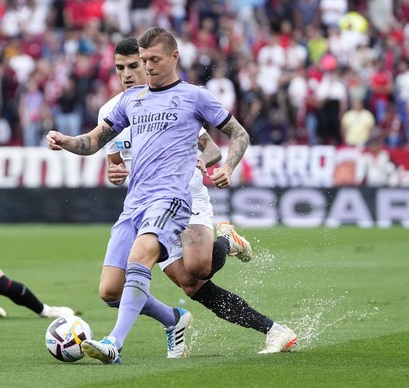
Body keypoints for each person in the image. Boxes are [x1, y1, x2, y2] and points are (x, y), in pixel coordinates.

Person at [47, 27, 295, 364]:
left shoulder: (191, 97)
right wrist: (68, 142)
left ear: (170, 58)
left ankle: (115, 342)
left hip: (181, 197)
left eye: (142, 62)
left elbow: (220, 145)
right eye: (123, 67)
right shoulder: (122, 105)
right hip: (139, 204)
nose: (136, 71)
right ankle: (177, 320)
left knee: (195, 267)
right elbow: (101, 147)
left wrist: (214, 163)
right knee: (140, 288)